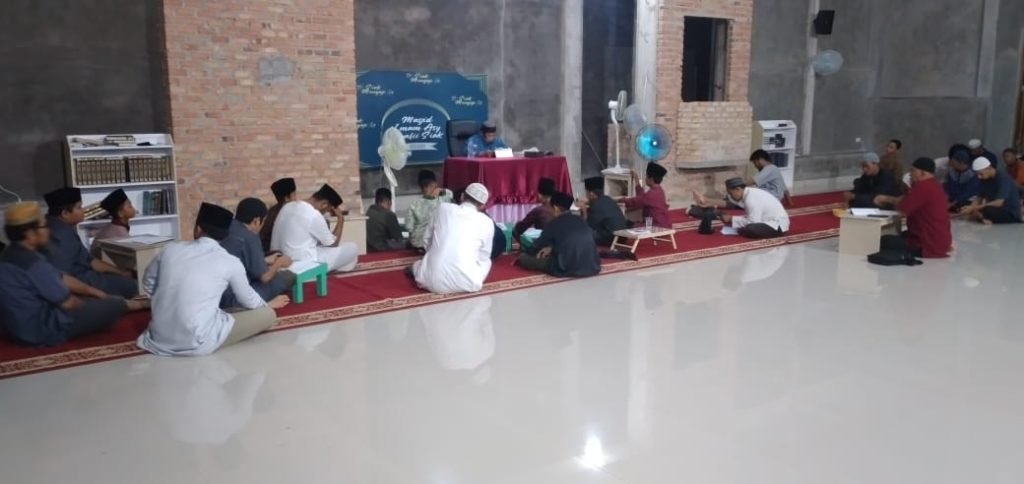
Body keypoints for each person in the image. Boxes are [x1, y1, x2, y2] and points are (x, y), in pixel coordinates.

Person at [138, 202, 290, 356]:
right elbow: (249, 300)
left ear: (198, 229)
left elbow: (148, 283)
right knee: (268, 315)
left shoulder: (170, 249)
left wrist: (165, 300)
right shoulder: (229, 261)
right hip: (197, 340)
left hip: (158, 337)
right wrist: (267, 305)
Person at [0, 202, 147, 347]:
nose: (49, 231)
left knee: (98, 297)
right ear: (30, 232)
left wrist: (96, 293)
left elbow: (61, 277)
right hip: (41, 328)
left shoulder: (10, 253)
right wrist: (93, 304)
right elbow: (68, 303)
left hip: (14, 328)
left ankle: (137, 303)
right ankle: (140, 304)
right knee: (112, 305)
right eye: (44, 226)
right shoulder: (33, 262)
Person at [42, 187, 138, 298]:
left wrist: (120, 272)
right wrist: (95, 293)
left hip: (88, 276)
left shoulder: (62, 228)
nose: (83, 210)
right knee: (133, 285)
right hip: (82, 282)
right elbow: (63, 278)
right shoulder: (60, 234)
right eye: (79, 207)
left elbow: (90, 260)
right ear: (65, 213)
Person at [411, 183, 495, 294]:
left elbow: (427, 239)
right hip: (467, 283)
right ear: (482, 206)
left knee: (419, 264)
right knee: (486, 261)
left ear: (462, 196)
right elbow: (483, 256)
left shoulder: (443, 208)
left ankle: (422, 269)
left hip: (430, 282)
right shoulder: (487, 222)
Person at [221, 198, 297, 308]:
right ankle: (263, 305)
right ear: (256, 221)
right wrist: (279, 263)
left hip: (217, 295)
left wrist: (264, 260)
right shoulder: (250, 236)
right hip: (234, 299)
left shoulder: (227, 227)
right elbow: (264, 278)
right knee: (287, 276)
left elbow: (237, 257)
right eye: (263, 221)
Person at [873, 158, 953, 258]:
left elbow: (903, 208)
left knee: (883, 241)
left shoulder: (923, 187)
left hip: (927, 245)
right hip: (941, 242)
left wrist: (886, 199)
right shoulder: (937, 186)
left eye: (913, 171)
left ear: (922, 173)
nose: (910, 174)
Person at [271, 184, 359, 272]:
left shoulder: (288, 206)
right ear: (324, 204)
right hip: (301, 264)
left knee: (340, 251)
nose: (325, 213)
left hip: (277, 261)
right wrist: (340, 218)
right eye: (327, 210)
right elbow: (333, 244)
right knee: (352, 247)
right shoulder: (313, 214)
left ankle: (339, 267)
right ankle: (333, 269)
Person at [517, 192, 601, 278]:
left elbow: (535, 247)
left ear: (556, 208)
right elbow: (573, 240)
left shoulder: (553, 224)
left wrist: (527, 252)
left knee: (524, 258)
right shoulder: (580, 219)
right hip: (592, 265)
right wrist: (551, 248)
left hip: (567, 267)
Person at [704, 178, 790, 239]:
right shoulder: (748, 193)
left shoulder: (750, 198)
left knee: (750, 229)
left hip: (777, 226)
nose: (730, 196)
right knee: (746, 227)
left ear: (737, 189)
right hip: (769, 221)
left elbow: (753, 221)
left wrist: (731, 219)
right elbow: (750, 215)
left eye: (731, 193)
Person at [959, 158, 1022, 224]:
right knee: (964, 204)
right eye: (977, 174)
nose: (979, 177)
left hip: (1008, 211)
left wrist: (975, 208)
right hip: (991, 207)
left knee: (988, 210)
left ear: (989, 168)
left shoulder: (1003, 178)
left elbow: (999, 203)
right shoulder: (983, 179)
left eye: (981, 174)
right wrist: (971, 207)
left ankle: (981, 217)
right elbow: (979, 198)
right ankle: (981, 217)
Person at [406, 170, 453, 250]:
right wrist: (441, 190)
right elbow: (450, 193)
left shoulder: (414, 205)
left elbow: (409, 227)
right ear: (435, 184)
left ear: (420, 187)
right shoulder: (445, 199)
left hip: (419, 244)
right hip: (440, 243)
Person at [619, 162, 671, 230]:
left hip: (657, 226)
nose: (645, 178)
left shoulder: (651, 194)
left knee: (623, 224)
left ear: (651, 179)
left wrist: (618, 199)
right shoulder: (659, 191)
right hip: (662, 224)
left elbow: (634, 202)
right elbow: (642, 197)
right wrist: (636, 179)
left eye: (646, 176)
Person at [579, 176, 628, 246]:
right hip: (622, 237)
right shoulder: (607, 199)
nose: (586, 195)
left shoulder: (596, 206)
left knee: (580, 233)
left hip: (611, 238)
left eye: (586, 192)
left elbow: (587, 226)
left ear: (591, 194)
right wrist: (589, 202)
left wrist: (584, 210)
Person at [89, 188, 136, 258]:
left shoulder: (112, 226)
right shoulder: (120, 232)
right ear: (120, 213)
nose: (134, 209)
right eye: (130, 206)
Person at [260, 177, 297, 254]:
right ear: (287, 198)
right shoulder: (285, 213)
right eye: (294, 194)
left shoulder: (273, 210)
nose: (296, 198)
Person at [512, 177, 556, 242]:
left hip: (544, 245)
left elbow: (519, 229)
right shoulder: (561, 209)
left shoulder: (539, 211)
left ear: (540, 195)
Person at [366, 188, 407, 252]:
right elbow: (398, 237)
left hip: (369, 248)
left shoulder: (369, 211)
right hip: (383, 248)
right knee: (407, 243)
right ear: (388, 201)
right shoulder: (388, 214)